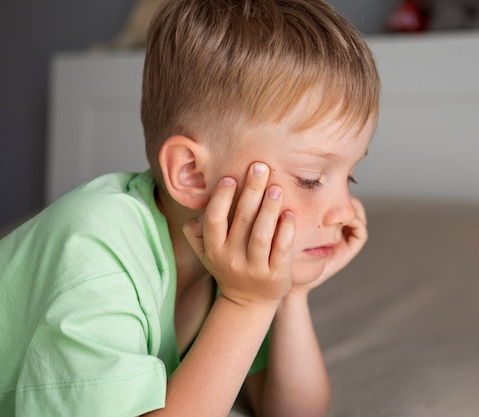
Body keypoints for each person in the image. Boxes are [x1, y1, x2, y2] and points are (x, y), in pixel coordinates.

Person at [0, 0, 380, 415]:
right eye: (309, 178)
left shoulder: (230, 260)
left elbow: (292, 413)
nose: (344, 211)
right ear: (192, 174)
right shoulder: (97, 244)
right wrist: (245, 305)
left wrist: (289, 292)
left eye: (351, 177)